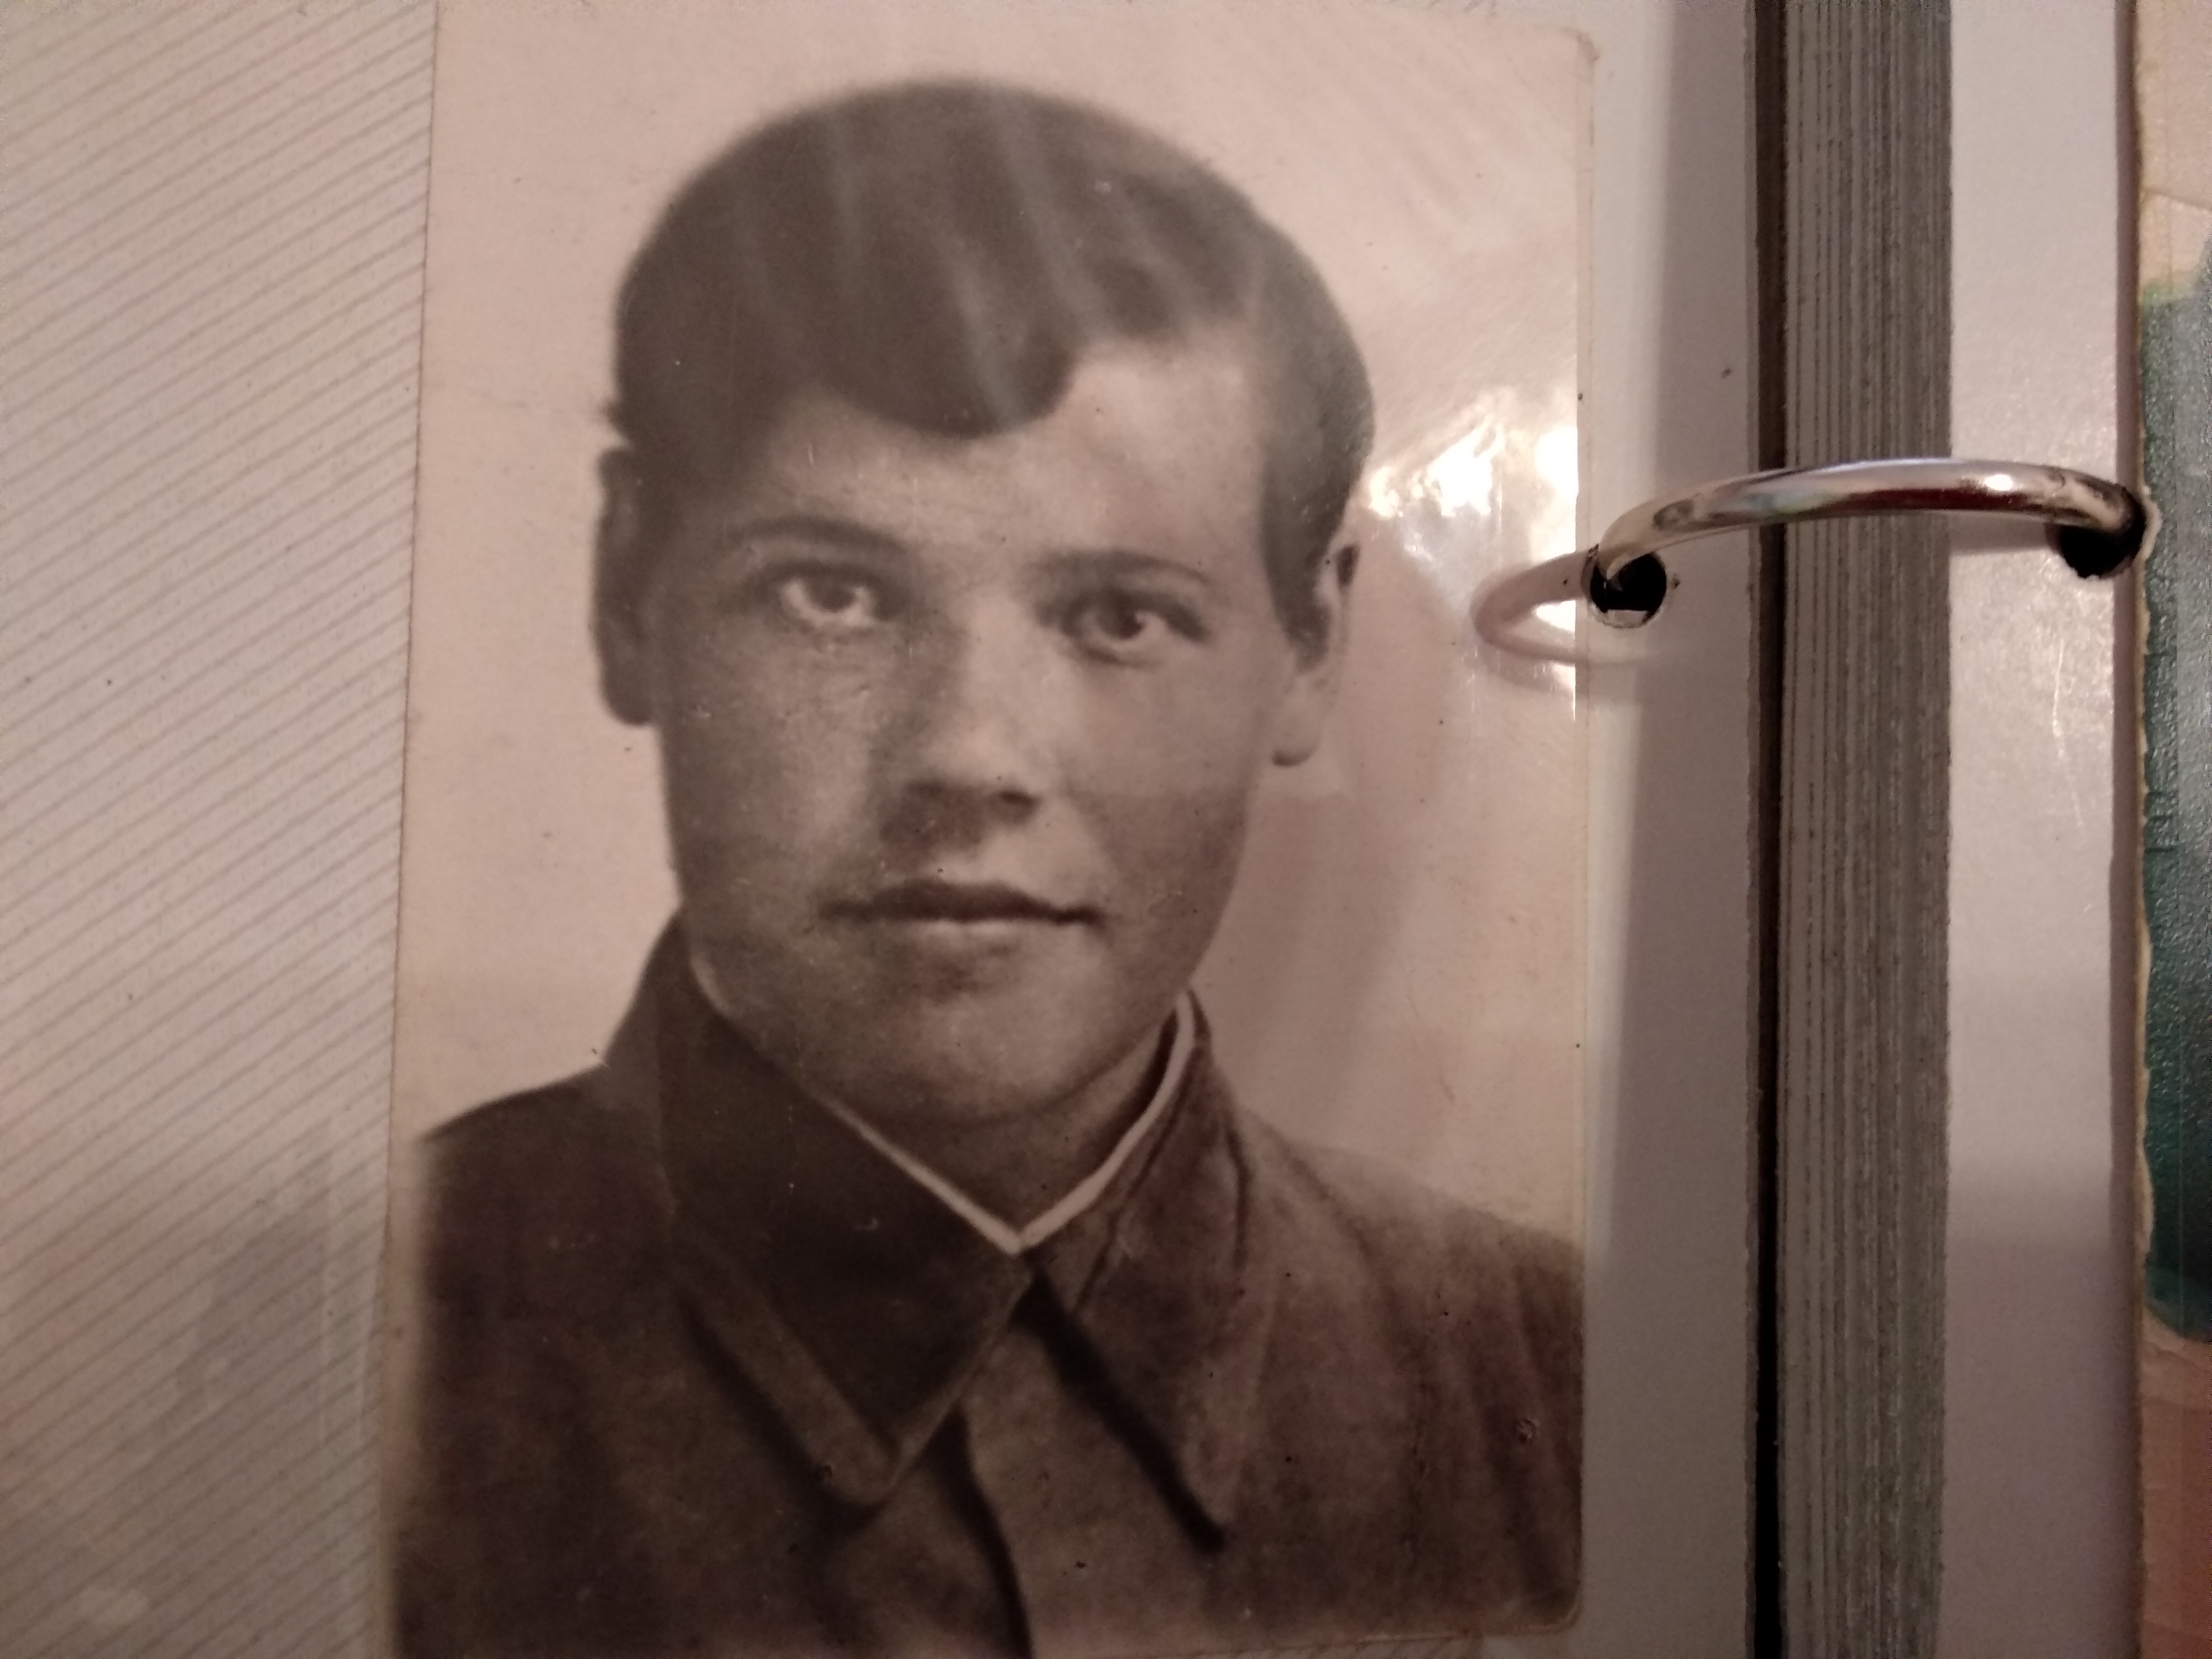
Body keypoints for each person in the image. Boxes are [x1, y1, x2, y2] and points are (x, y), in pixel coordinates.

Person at [393, 78, 1579, 1658]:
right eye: (833, 595)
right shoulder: (370, 1316)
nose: (967, 759)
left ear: (1310, 642)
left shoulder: (1545, 1363)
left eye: (1118, 617)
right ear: (629, 588)